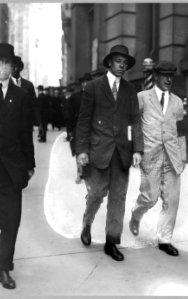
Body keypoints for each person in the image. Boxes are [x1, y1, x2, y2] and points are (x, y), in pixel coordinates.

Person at [75, 45, 143, 261]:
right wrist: (82, 150)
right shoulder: (93, 87)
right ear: (109, 63)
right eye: (118, 61)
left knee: (118, 198)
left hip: (122, 153)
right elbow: (84, 121)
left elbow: (134, 122)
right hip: (98, 152)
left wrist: (137, 149)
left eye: (125, 62)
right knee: (96, 194)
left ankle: (111, 242)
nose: (121, 65)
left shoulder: (130, 90)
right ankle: (87, 222)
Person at [0, 43, 35, 289]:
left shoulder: (21, 95)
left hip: (11, 169)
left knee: (10, 221)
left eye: (8, 63)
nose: (3, 67)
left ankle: (3, 268)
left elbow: (26, 133)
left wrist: (29, 164)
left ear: (13, 67)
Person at [129, 61, 187, 257]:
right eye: (164, 75)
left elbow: (181, 131)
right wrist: (136, 150)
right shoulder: (142, 98)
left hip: (172, 157)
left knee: (171, 200)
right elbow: (134, 126)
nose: (168, 79)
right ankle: (136, 215)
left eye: (171, 75)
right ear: (155, 76)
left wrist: (183, 157)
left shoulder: (178, 102)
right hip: (150, 155)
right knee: (150, 197)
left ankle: (165, 239)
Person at [67, 73, 93, 183]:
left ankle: (88, 173)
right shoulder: (74, 97)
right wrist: (69, 131)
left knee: (91, 150)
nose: (86, 84)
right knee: (78, 150)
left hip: (92, 128)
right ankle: (79, 173)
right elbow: (70, 115)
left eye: (88, 82)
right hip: (77, 128)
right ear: (82, 84)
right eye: (84, 82)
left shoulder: (95, 97)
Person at [11, 56, 38, 127]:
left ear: (20, 68)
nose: (13, 69)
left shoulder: (28, 85)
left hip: (26, 124)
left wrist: (38, 122)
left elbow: (34, 104)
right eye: (11, 67)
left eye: (15, 67)